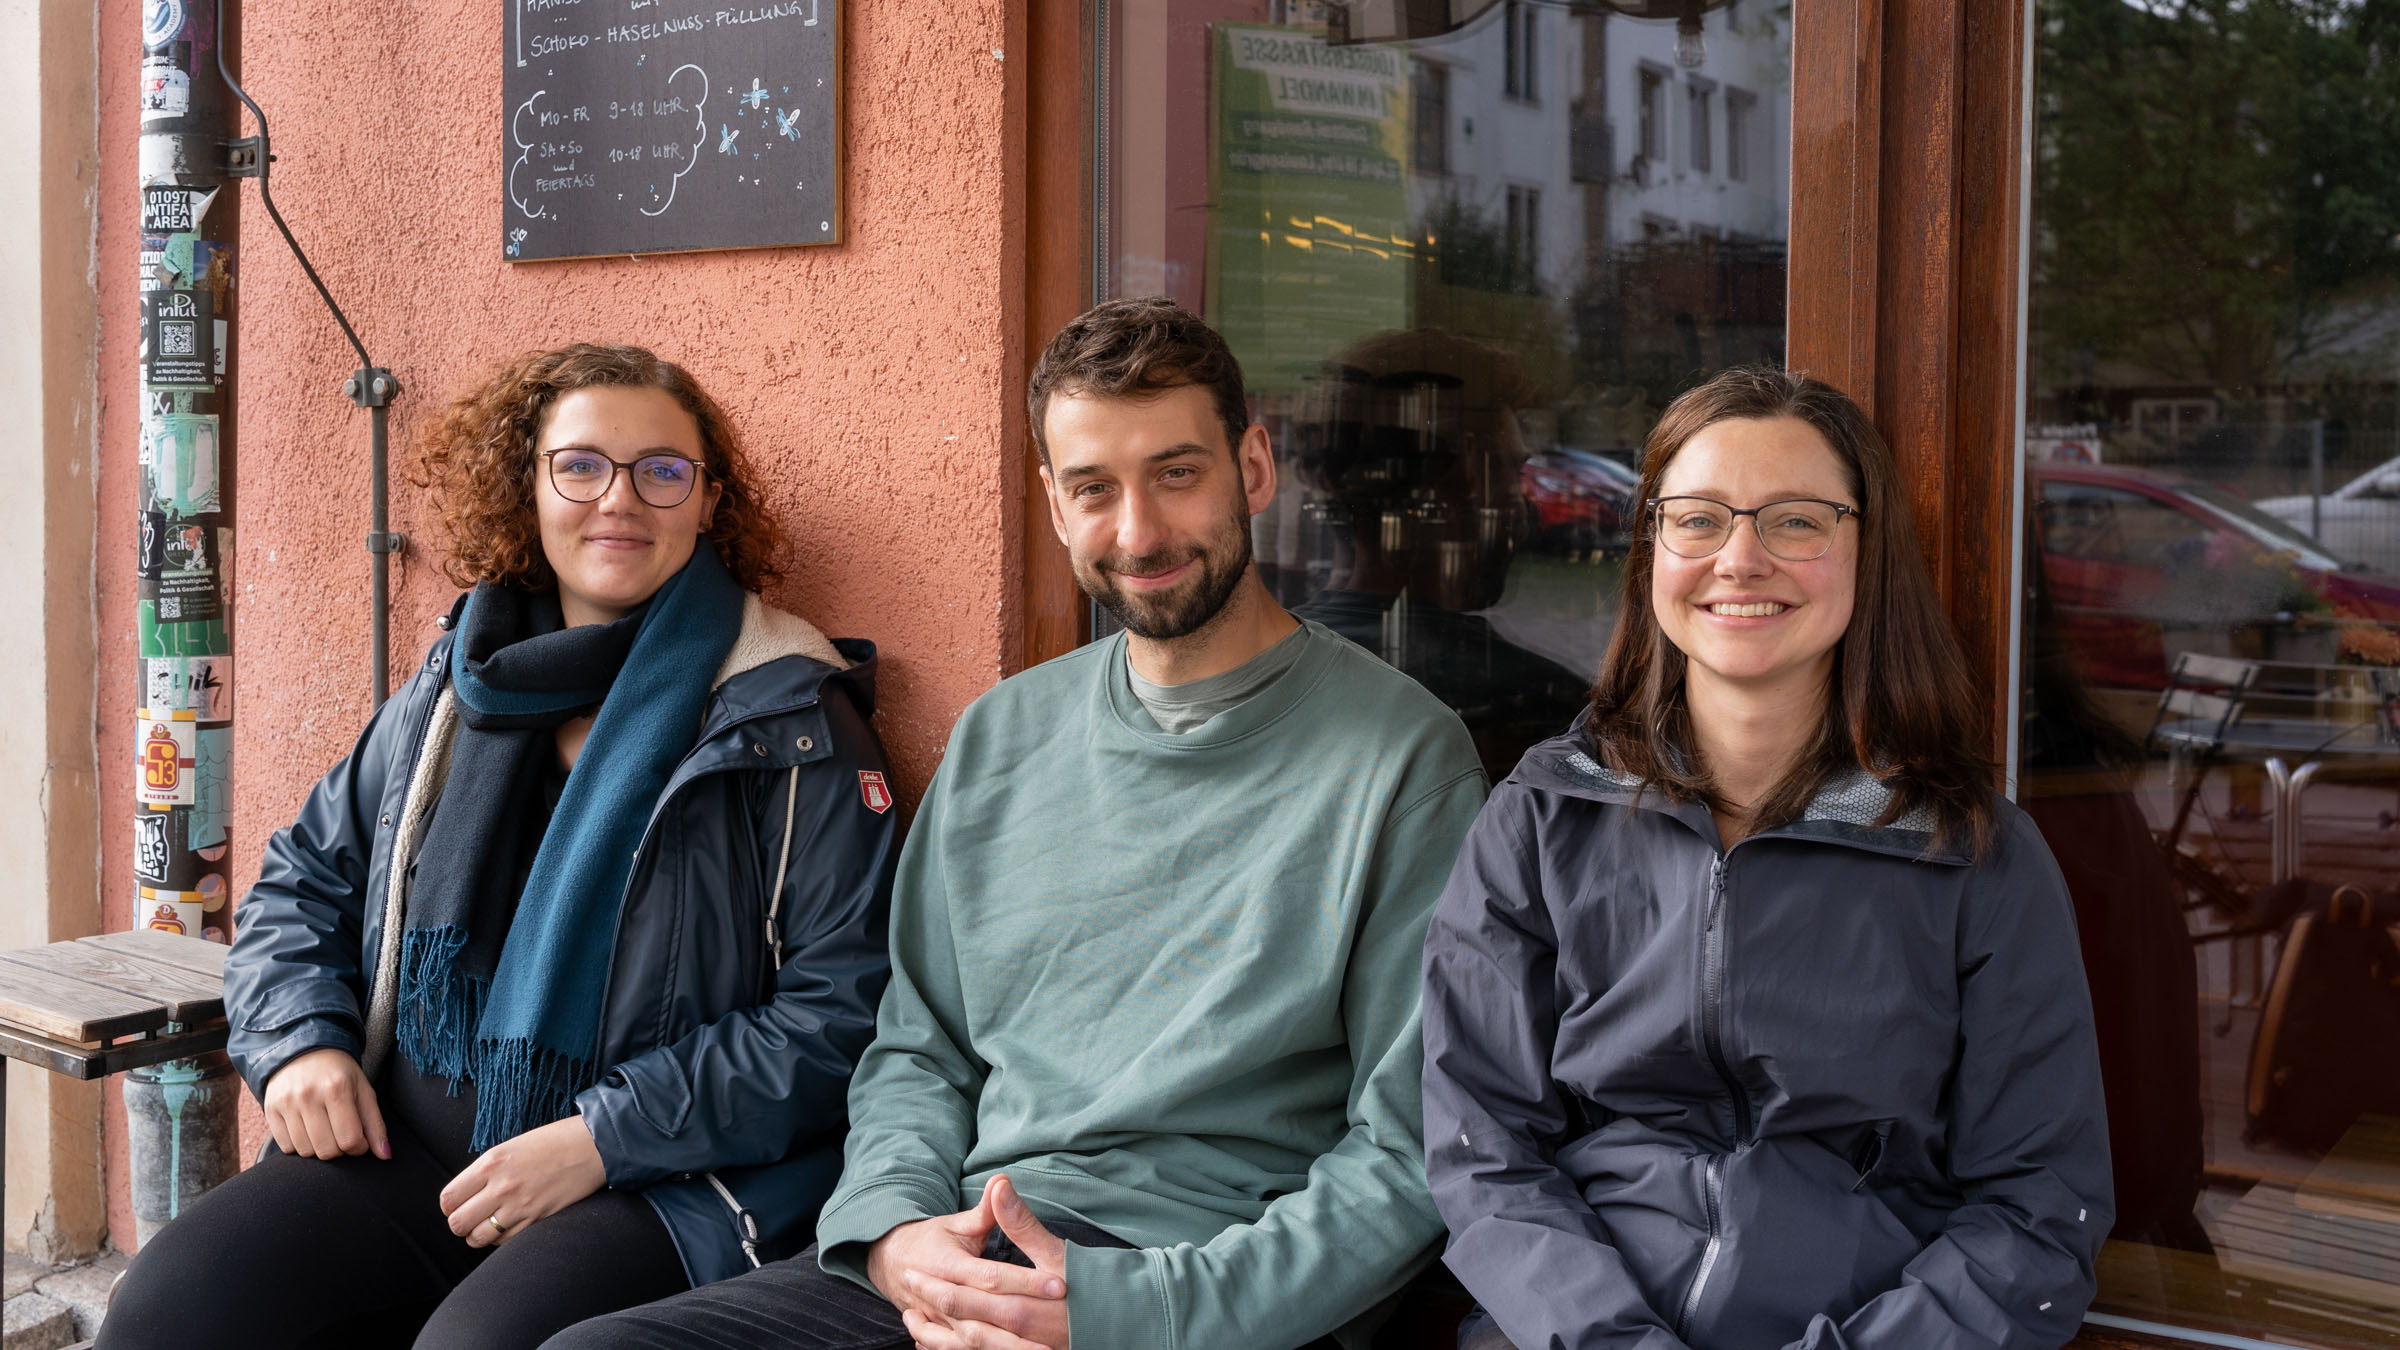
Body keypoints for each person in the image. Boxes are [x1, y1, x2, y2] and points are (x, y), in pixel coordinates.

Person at [549, 298, 1488, 1350]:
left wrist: (1133, 1311)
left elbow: (1408, 1150)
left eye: (1177, 473)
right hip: (962, 1252)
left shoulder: (1403, 756)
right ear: (1053, 502)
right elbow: (919, 1048)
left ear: (1253, 467)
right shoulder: (1005, 737)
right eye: (1095, 488)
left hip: (1198, 1286)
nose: (1137, 532)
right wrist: (895, 1232)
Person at [102, 344, 898, 1350]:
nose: (620, 500)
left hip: (662, 1177)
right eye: (580, 465)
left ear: (708, 502)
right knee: (173, 1304)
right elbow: (305, 880)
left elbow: (840, 1014)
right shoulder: (462, 678)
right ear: (529, 485)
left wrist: (601, 1139)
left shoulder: (787, 713)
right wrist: (299, 1037)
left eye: (662, 471)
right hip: (414, 1149)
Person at [1420, 366, 2113, 1350]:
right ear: (1652, 545)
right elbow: (1480, 1154)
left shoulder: (1976, 859)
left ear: (1867, 553)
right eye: (1699, 518)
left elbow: (2039, 1213)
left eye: (1796, 521)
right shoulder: (1539, 819)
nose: (1740, 559)